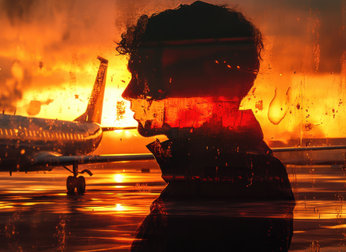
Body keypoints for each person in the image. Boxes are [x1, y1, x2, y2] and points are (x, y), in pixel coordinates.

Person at [117, 1, 294, 200]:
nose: (128, 92)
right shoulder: (237, 170)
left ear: (208, 80)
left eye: (149, 75)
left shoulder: (217, 184)